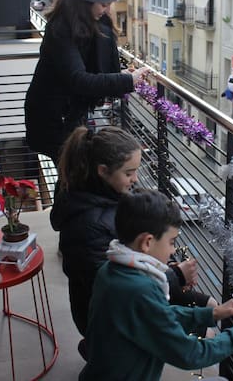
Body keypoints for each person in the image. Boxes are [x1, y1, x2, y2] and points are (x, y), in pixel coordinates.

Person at [79, 189, 233, 381]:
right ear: (147, 242)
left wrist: (212, 313)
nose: (173, 250)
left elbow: (155, 315)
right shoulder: (140, 289)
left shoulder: (111, 269)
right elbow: (191, 354)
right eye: (172, 242)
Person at [50, 126, 207, 356]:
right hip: (104, 318)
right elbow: (117, 288)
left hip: (105, 307)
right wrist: (176, 275)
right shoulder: (88, 225)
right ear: (103, 171)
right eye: (129, 173)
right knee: (193, 319)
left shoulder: (103, 197)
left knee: (203, 306)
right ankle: (98, 349)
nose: (135, 179)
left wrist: (170, 270)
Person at [24, 0, 148, 164]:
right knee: (75, 173)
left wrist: (123, 75)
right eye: (104, 4)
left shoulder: (80, 24)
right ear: (88, 0)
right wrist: (126, 80)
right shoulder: (61, 29)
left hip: (66, 115)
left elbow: (84, 72)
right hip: (52, 120)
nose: (107, 11)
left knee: (74, 174)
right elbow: (78, 79)